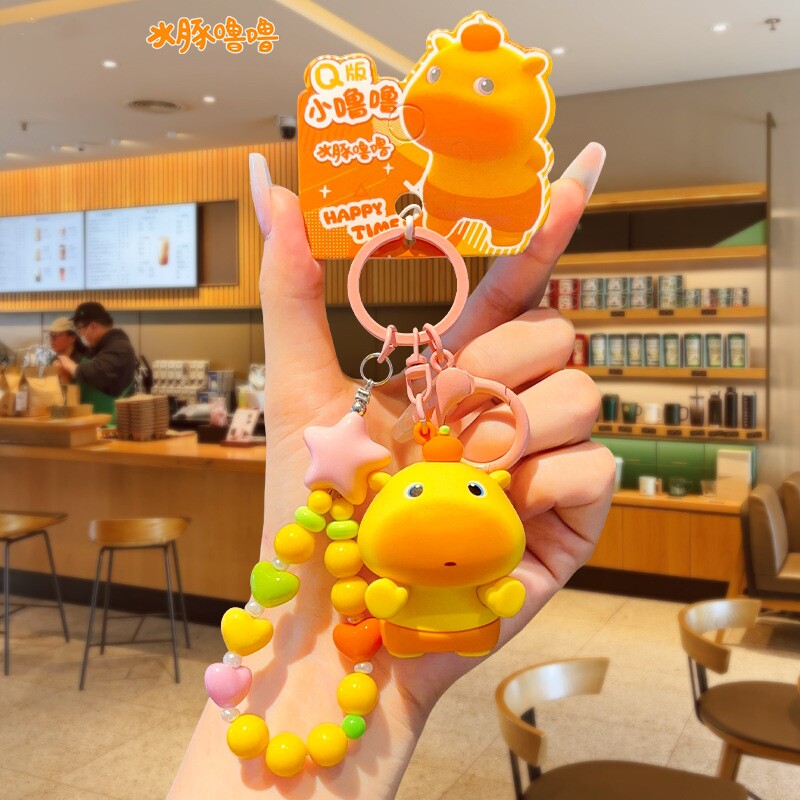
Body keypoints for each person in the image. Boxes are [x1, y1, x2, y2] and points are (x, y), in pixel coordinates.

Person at [169, 143, 614, 799]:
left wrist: (485, 593)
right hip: (385, 629)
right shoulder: (368, 507)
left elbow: (488, 593)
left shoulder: (445, 498)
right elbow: (382, 590)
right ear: (380, 489)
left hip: (423, 629)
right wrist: (329, 633)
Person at [57, 301, 137, 417]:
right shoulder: (95, 349)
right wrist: (65, 374)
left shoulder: (121, 347)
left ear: (92, 327)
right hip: (90, 420)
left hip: (112, 424)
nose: (80, 335)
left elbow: (97, 372)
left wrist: (71, 366)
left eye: (80, 329)